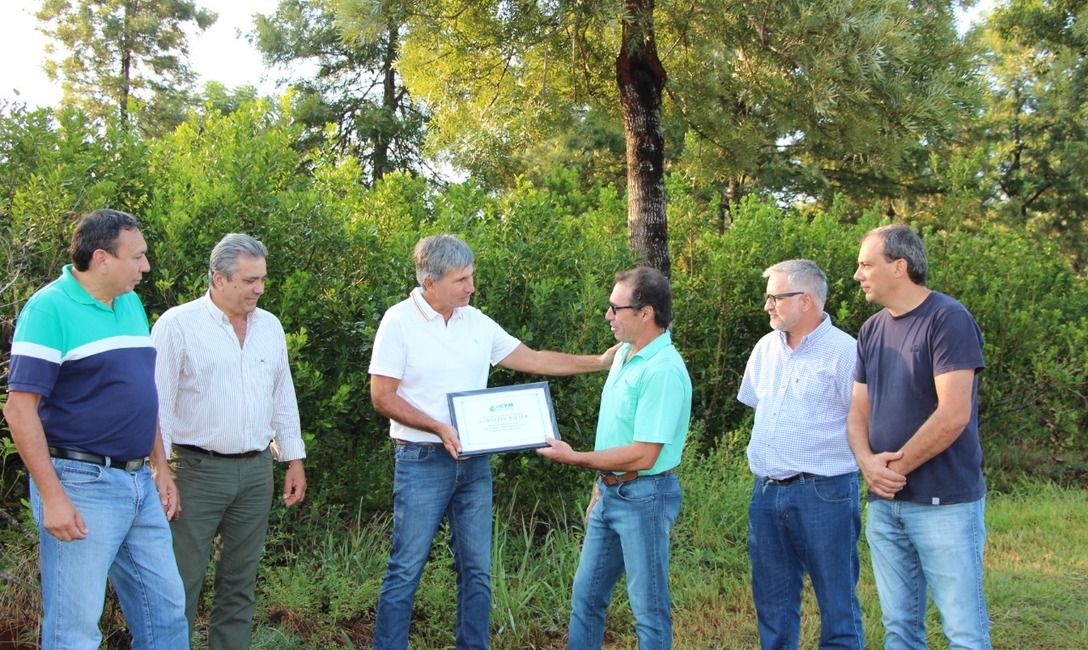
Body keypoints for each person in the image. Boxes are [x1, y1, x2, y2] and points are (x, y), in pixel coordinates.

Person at [368, 234, 617, 650]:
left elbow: (534, 359)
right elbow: (382, 397)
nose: (470, 287)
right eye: (460, 280)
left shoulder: (476, 321)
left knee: (478, 570)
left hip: (474, 464)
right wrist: (437, 427)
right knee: (406, 569)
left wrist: (600, 363)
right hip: (420, 460)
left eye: (472, 277)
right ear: (429, 283)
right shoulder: (398, 321)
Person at [2, 209, 188, 648]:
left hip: (140, 481)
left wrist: (161, 466)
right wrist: (52, 498)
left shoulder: (130, 304)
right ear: (102, 258)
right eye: (138, 257)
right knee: (75, 630)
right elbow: (19, 410)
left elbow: (141, 394)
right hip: (81, 484)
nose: (146, 267)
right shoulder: (49, 309)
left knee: (166, 615)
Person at [152, 233, 307, 649]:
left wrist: (293, 459)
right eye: (249, 280)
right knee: (179, 582)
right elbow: (157, 406)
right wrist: (159, 470)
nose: (258, 289)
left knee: (240, 584)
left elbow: (282, 395)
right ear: (218, 279)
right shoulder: (176, 325)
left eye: (262, 280)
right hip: (194, 473)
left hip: (256, 472)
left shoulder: (270, 326)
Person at [848, 224, 991, 649]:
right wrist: (868, 466)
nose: (858, 275)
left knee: (963, 632)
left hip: (945, 504)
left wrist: (894, 469)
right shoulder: (871, 329)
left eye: (865, 265)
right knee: (899, 630)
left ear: (899, 267)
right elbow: (857, 411)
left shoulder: (948, 319)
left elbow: (953, 414)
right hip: (886, 505)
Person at [537, 266, 692, 650]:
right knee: (586, 598)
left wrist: (576, 458)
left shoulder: (663, 371)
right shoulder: (625, 353)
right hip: (611, 494)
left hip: (645, 497)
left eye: (615, 308)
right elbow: (617, 431)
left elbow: (643, 453)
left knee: (649, 611)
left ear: (646, 313)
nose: (607, 315)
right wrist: (599, 485)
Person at [737, 259, 864, 649]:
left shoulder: (846, 352)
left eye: (775, 297)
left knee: (837, 603)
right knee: (772, 605)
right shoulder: (764, 348)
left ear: (806, 300)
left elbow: (862, 421)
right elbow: (759, 404)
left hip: (825, 494)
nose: (767, 306)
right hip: (766, 492)